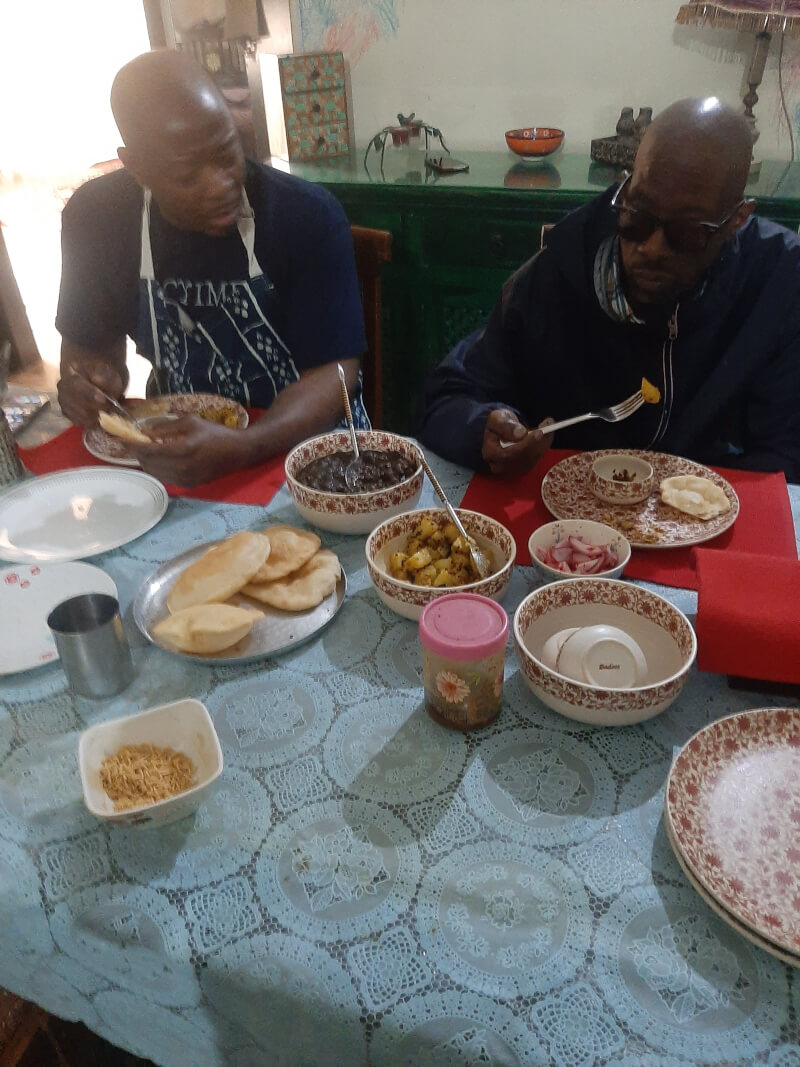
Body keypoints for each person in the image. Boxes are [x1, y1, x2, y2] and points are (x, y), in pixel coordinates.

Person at [419, 97, 800, 483]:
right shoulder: (561, 268)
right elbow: (448, 397)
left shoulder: (776, 278)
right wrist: (483, 430)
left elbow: (780, 458)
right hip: (564, 518)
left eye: (685, 232)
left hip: (703, 514)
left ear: (736, 219)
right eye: (637, 216)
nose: (651, 248)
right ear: (626, 187)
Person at [56, 50, 367, 487]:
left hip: (310, 450)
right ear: (137, 168)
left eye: (227, 153)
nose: (221, 185)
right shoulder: (97, 219)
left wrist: (245, 445)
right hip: (173, 453)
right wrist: (90, 383)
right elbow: (88, 349)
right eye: (187, 176)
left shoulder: (306, 215)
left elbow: (335, 375)